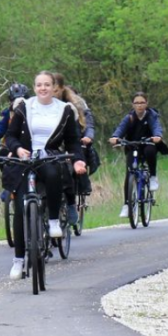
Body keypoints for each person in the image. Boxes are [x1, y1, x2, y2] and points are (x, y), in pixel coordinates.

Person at [4, 71, 87, 280]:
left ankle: (53, 222)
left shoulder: (64, 110)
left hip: (49, 155)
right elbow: (11, 136)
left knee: (53, 172)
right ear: (34, 87)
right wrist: (18, 149)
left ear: (54, 87)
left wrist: (78, 159)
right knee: (21, 207)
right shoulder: (25, 107)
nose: (43, 88)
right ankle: (18, 261)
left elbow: (73, 140)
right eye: (39, 85)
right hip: (25, 158)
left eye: (47, 85)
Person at [109, 92, 168, 218]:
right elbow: (120, 129)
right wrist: (115, 137)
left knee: (150, 151)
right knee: (129, 172)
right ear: (133, 105)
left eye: (142, 102)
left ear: (146, 104)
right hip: (133, 146)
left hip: (148, 144)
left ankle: (153, 176)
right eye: (136, 103)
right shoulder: (129, 118)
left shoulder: (152, 116)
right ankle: (127, 204)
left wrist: (157, 136)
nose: (139, 105)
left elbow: (156, 127)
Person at [53, 74, 95, 225]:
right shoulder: (35, 107)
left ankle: (73, 200)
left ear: (61, 89)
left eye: (55, 89)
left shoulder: (73, 106)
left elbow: (84, 127)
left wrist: (88, 137)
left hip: (72, 141)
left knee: (69, 167)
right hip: (48, 147)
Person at [0, 83, 29, 202]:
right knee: (2, 155)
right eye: (13, 100)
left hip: (30, 147)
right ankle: (9, 186)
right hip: (12, 147)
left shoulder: (34, 111)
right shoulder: (7, 114)